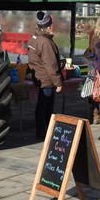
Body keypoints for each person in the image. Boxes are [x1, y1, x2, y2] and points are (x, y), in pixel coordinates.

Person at [26, 11, 63, 140]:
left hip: (39, 76)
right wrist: (58, 82)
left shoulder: (35, 38)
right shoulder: (45, 42)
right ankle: (44, 132)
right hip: (46, 78)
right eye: (51, 24)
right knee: (45, 107)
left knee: (42, 106)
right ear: (47, 26)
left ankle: (43, 131)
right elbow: (51, 64)